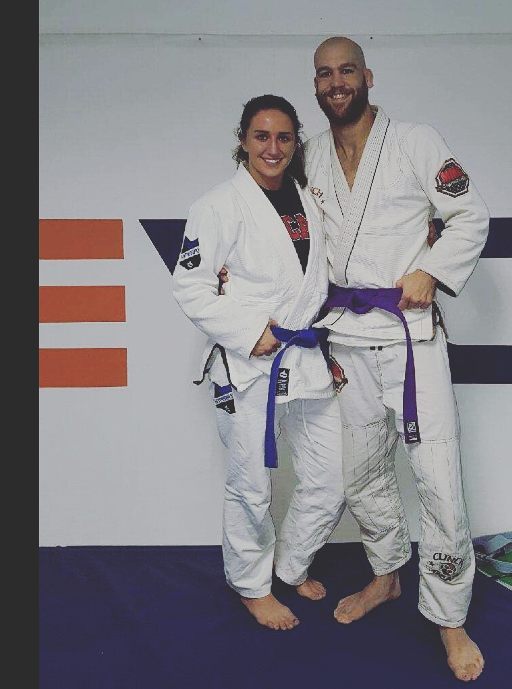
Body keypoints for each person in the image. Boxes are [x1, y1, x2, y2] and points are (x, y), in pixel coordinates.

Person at [304, 37, 490, 681]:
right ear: (316, 85)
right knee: (360, 470)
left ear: (367, 76)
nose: (336, 83)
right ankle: (386, 575)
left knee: (437, 477)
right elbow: (291, 239)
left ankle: (449, 616)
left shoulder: (415, 141)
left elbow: (469, 215)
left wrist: (432, 271)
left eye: (346, 70)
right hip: (345, 338)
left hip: (411, 337)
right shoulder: (310, 155)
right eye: (324, 74)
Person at [172, 94, 346, 631]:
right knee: (250, 485)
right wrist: (251, 332)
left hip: (306, 359)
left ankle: (289, 564)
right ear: (243, 140)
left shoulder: (308, 199)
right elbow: (191, 287)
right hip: (248, 366)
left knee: (330, 479)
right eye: (261, 136)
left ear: (296, 143)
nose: (273, 147)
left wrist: (329, 346)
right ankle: (251, 584)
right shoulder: (218, 205)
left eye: (284, 137)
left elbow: (318, 282)